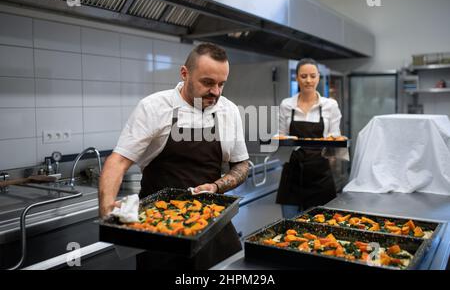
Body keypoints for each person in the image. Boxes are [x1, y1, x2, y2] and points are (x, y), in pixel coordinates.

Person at [98, 43, 249, 270]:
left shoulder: (229, 110)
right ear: (184, 73)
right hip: (160, 229)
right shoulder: (154, 107)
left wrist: (217, 186)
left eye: (221, 84)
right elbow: (118, 161)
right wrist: (107, 208)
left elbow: (241, 165)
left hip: (212, 222)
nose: (216, 92)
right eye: (208, 83)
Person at [276, 58, 342, 218]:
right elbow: (281, 135)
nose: (308, 80)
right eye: (303, 76)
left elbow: (335, 137)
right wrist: (278, 139)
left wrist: (335, 145)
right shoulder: (286, 105)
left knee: (321, 230)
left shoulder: (330, 105)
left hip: (320, 175)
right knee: (289, 227)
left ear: (319, 77)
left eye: (313, 76)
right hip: (292, 173)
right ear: (297, 78)